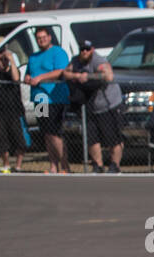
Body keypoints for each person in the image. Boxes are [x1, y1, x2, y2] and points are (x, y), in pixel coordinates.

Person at [63, 40, 124, 173]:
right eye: (82, 49)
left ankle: (115, 165)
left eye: (87, 49)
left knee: (112, 138)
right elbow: (65, 73)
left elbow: (108, 75)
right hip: (89, 106)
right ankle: (98, 165)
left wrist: (89, 76)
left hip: (108, 104)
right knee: (91, 137)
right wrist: (77, 75)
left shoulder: (98, 60)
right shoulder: (75, 61)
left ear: (92, 49)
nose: (84, 52)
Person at [24, 28, 70, 174]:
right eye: (38, 38)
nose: (41, 40)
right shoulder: (33, 56)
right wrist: (28, 78)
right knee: (45, 132)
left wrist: (40, 78)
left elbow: (60, 71)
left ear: (49, 37)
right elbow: (29, 73)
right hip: (40, 98)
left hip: (54, 98)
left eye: (44, 37)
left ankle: (65, 166)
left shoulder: (58, 52)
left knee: (54, 132)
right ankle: (53, 165)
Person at [0, 46, 24, 172]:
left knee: (19, 140)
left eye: (5, 57)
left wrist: (11, 60)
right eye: (1, 57)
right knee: (1, 140)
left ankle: (18, 166)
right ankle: (6, 164)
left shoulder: (13, 70)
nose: (3, 60)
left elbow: (16, 79)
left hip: (15, 111)